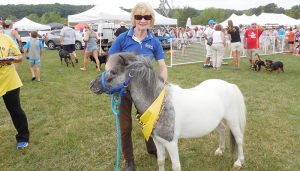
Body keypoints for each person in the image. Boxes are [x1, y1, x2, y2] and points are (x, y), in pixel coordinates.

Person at [106, 2, 168, 170]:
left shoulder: (153, 41)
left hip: (146, 90)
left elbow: (162, 66)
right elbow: (109, 63)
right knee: (125, 126)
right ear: (133, 19)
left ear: (151, 20)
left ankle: (152, 148)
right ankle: (129, 159)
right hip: (124, 90)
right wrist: (115, 81)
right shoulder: (122, 38)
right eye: (139, 17)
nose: (142, 20)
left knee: (149, 122)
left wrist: (162, 83)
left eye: (146, 17)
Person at [0, 30, 30, 149]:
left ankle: (23, 137)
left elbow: (19, 57)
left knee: (15, 110)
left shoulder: (6, 38)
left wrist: (8, 60)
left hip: (9, 80)